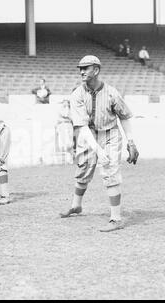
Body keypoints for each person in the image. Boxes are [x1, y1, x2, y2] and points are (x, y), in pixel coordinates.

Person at [60, 55, 139, 232]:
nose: (81, 71)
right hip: (88, 134)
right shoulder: (77, 94)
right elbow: (81, 126)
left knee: (110, 170)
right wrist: (97, 150)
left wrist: (131, 142)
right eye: (80, 68)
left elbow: (124, 117)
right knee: (83, 168)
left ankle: (116, 218)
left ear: (96, 70)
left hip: (110, 133)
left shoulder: (112, 92)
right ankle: (76, 206)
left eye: (86, 68)